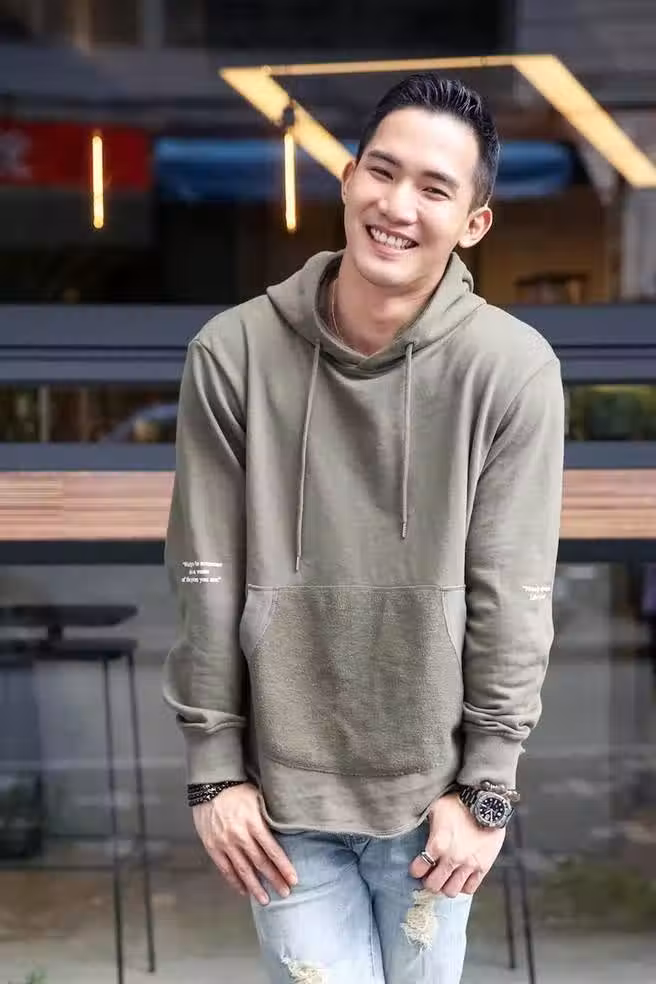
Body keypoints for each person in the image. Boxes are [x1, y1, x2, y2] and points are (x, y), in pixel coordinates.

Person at [163, 73, 565, 984]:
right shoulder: (233, 353)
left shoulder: (511, 370)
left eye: (435, 188)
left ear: (473, 223)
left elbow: (513, 591)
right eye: (382, 172)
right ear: (346, 180)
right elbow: (204, 573)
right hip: (280, 802)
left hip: (436, 801)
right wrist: (215, 770)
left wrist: (488, 788)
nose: (397, 206)